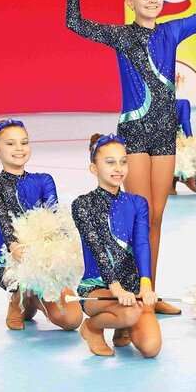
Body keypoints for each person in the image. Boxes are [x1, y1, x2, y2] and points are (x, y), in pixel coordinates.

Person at [66, 0, 196, 314]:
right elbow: (74, 22)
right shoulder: (121, 36)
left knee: (156, 217)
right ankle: (132, 289)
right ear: (130, 0)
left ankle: (149, 291)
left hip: (164, 133)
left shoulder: (171, 31)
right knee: (140, 214)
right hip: (135, 133)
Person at [0, 119, 83, 331]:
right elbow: (3, 219)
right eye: (10, 144)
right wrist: (14, 246)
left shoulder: (44, 180)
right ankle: (17, 298)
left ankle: (32, 300)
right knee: (20, 273)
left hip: (43, 257)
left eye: (24, 142)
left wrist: (62, 251)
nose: (19, 148)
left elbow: (54, 215)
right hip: (11, 258)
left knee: (72, 319)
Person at [72, 134, 161, 357]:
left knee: (151, 348)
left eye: (123, 162)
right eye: (110, 162)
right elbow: (98, 249)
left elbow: (141, 244)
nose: (118, 168)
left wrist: (145, 284)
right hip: (97, 287)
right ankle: (92, 327)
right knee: (130, 313)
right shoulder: (82, 205)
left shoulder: (137, 203)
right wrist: (115, 288)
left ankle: (122, 326)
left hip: (131, 290)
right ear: (94, 168)